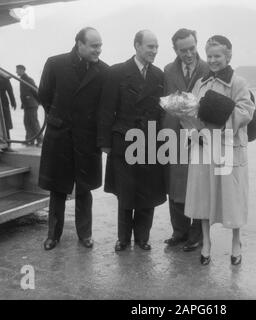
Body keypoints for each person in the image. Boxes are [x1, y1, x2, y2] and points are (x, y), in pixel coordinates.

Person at [184, 35, 255, 265]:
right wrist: (192, 130)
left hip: (229, 149)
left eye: (218, 56)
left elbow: (245, 111)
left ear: (229, 55)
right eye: (210, 56)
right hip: (204, 150)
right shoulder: (200, 83)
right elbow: (192, 112)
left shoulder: (238, 83)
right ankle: (206, 242)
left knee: (231, 199)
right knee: (204, 197)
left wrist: (217, 121)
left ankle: (236, 242)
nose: (213, 60)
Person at [38, 27, 109, 250]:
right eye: (94, 45)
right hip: (60, 137)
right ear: (79, 44)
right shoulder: (55, 64)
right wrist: (58, 119)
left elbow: (103, 107)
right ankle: (53, 235)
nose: (99, 50)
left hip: (86, 139)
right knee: (58, 189)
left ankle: (85, 234)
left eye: (100, 45)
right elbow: (44, 95)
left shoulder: (103, 71)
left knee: (84, 189)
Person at [98, 30, 166, 252]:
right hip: (124, 140)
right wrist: (105, 143)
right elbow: (106, 109)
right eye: (150, 47)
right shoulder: (117, 72)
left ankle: (143, 238)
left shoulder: (158, 75)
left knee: (147, 191)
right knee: (125, 193)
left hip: (150, 141)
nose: (154, 51)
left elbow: (162, 112)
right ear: (137, 46)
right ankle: (123, 238)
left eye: (156, 47)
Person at [162, 28, 209, 251]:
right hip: (175, 135)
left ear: (196, 44)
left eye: (192, 48)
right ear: (175, 50)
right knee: (176, 184)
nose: (188, 54)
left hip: (200, 136)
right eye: (183, 50)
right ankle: (179, 231)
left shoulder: (208, 68)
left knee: (198, 184)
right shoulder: (168, 70)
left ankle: (197, 234)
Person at [16, 65, 43, 147]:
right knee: (27, 122)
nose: (16, 72)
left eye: (17, 70)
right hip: (27, 105)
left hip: (31, 104)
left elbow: (35, 90)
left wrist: (39, 101)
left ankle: (40, 140)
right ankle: (30, 140)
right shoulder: (22, 79)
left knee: (33, 122)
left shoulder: (28, 79)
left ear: (22, 70)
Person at [0, 72, 17, 151]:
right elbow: (10, 90)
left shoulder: (4, 78)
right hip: (3, 103)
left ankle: (7, 144)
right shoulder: (5, 78)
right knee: (5, 124)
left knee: (5, 124)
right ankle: (6, 144)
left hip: (3, 103)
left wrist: (13, 101)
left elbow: (10, 90)